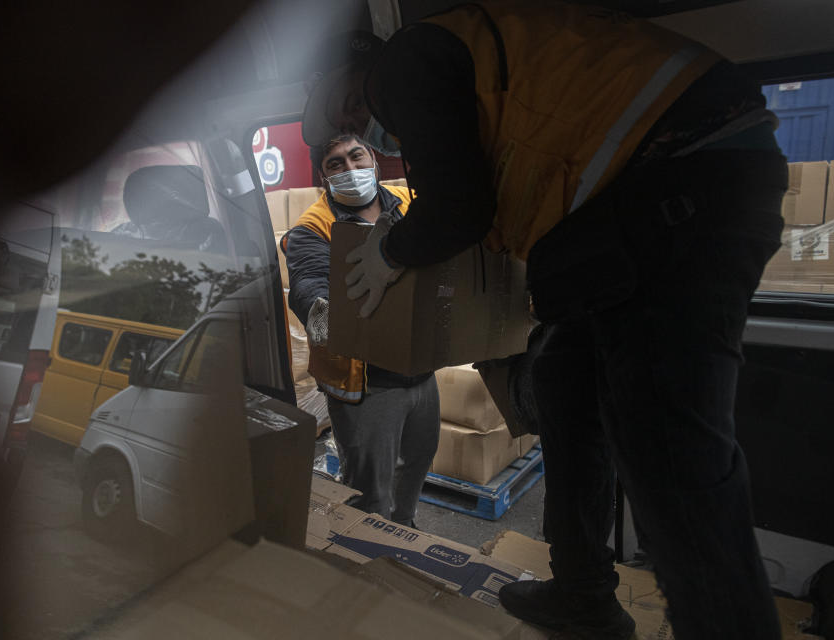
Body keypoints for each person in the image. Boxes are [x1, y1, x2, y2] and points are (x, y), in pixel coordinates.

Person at [301, 4, 787, 639]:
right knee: (565, 379)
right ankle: (584, 593)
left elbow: (457, 210)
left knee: (672, 445)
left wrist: (392, 251)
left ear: (360, 66)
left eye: (347, 108)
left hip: (682, 168)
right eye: (338, 136)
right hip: (639, 197)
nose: (357, 124)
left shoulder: (404, 61)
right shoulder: (467, 105)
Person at [281, 133, 440, 528]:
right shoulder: (312, 228)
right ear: (324, 177)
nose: (350, 169)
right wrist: (331, 324)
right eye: (336, 164)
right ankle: (368, 561)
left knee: (415, 468)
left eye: (356, 157)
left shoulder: (406, 203)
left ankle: (406, 534)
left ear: (373, 158)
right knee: (370, 494)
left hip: (421, 371)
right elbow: (307, 294)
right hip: (365, 383)